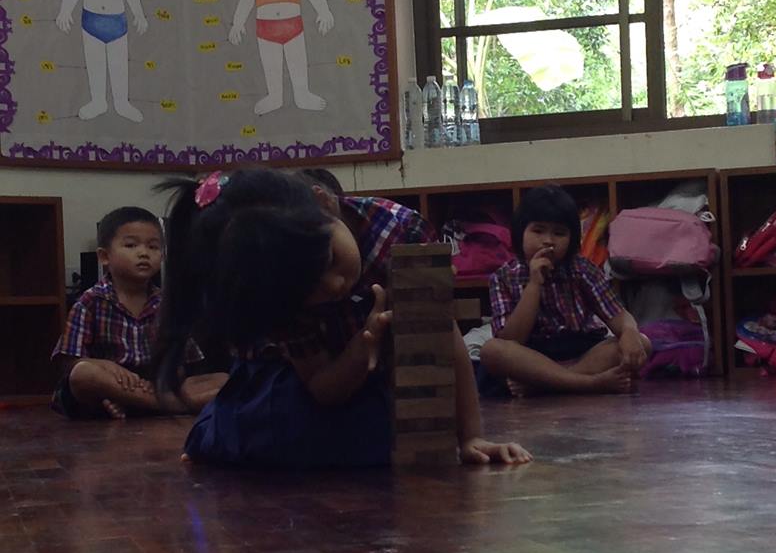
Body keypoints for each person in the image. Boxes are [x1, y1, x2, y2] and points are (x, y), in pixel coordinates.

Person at [154, 168, 530, 469]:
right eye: (309, 290)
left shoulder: (400, 231)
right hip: (300, 381)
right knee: (287, 433)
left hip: (385, 379)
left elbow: (440, 330)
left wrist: (470, 436)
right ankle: (219, 425)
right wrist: (364, 343)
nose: (335, 285)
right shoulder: (276, 292)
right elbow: (322, 388)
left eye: (331, 260)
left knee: (392, 437)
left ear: (325, 203)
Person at [50, 207, 226, 419]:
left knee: (222, 379)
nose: (144, 253)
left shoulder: (166, 304)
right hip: (114, 382)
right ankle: (171, 406)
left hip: (155, 385)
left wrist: (170, 373)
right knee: (84, 374)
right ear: (104, 256)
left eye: (153, 247)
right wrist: (103, 365)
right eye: (131, 245)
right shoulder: (90, 302)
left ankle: (139, 403)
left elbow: (186, 362)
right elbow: (69, 361)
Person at [479, 184, 651, 396]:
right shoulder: (504, 277)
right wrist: (534, 284)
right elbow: (512, 339)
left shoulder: (582, 269)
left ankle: (544, 385)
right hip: (531, 356)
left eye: (559, 233)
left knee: (642, 342)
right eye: (538, 230)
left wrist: (629, 332)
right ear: (520, 232)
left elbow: (619, 316)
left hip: (581, 350)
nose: (548, 241)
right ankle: (589, 383)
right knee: (492, 350)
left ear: (572, 239)